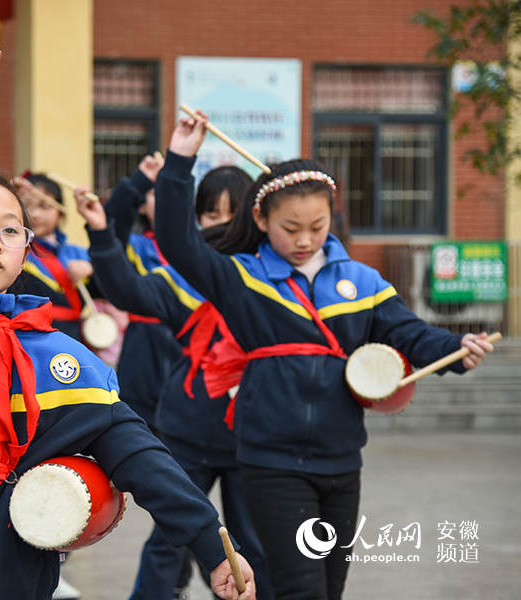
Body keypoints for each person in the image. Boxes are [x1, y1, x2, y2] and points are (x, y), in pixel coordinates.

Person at [0, 45, 256, 600]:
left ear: (28, 247)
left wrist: (212, 546)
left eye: (10, 228)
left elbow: (137, 453)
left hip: (18, 568)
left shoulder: (56, 356)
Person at [153, 110, 495, 600]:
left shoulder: (362, 282)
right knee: (300, 589)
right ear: (260, 219)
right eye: (290, 227)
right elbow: (177, 242)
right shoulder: (242, 278)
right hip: (271, 463)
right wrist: (180, 159)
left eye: (317, 225)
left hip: (342, 461)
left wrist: (458, 349)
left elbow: (411, 334)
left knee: (330, 590)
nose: (304, 239)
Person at [75, 183, 271, 600]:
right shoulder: (183, 277)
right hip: (189, 429)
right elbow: (125, 290)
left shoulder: (270, 277)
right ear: (196, 220)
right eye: (211, 214)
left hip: (252, 435)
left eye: (232, 215)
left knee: (254, 543)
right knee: (169, 539)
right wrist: (100, 233)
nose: (222, 225)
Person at [14, 173, 93, 341]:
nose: (34, 214)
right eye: (27, 205)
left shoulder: (78, 253)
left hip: (73, 336)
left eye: (44, 206)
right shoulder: (15, 250)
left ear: (60, 214)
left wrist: (91, 269)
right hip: (30, 335)